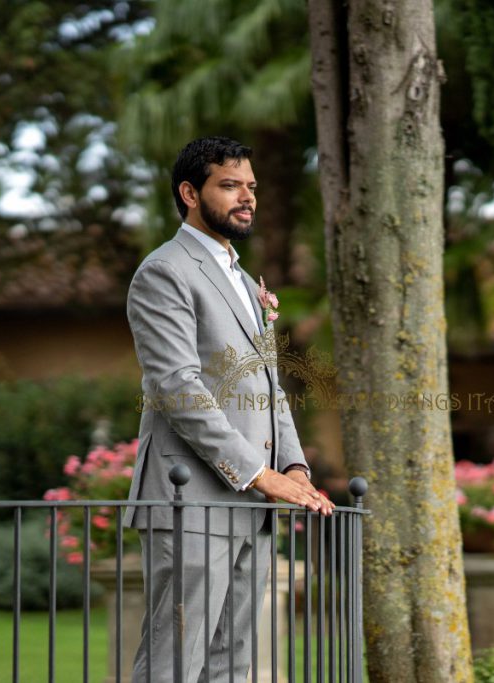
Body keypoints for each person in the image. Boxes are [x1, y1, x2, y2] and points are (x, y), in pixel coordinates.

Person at [123, 136, 334, 682]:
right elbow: (176, 385)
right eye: (231, 185)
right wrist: (259, 473)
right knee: (175, 662)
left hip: (251, 509)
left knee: (232, 666)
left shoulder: (243, 280)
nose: (247, 197)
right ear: (190, 192)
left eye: (252, 187)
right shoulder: (164, 271)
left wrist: (293, 468)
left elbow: (267, 388)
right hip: (189, 501)